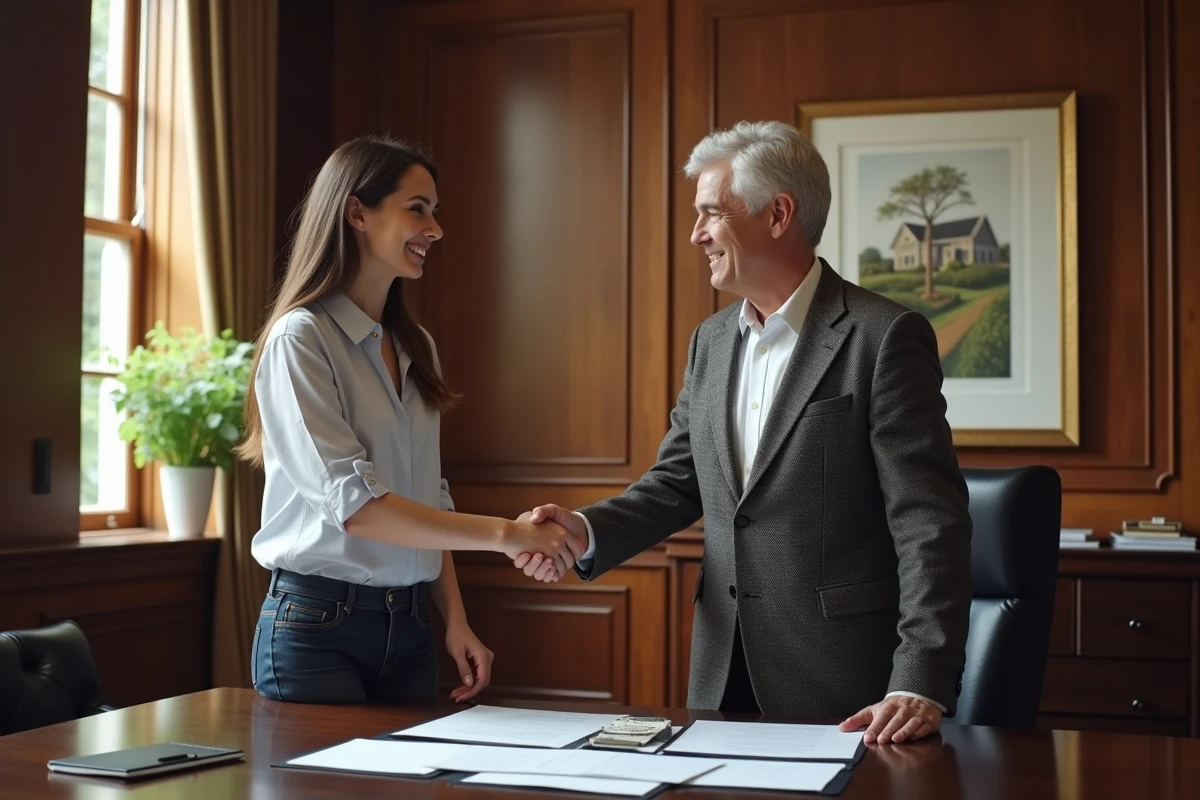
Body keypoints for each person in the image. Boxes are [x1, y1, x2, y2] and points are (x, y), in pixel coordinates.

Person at [516, 121, 972, 745]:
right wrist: (587, 528)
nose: (697, 233)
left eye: (711, 213)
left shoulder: (884, 337)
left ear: (778, 213)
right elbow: (679, 481)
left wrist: (919, 678)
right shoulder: (710, 341)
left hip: (850, 690)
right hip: (720, 670)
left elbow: (928, 520)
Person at [238, 136, 585, 705]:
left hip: (411, 629)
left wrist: (455, 619)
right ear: (357, 213)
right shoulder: (300, 340)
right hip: (315, 630)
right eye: (417, 209)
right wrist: (509, 535)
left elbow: (429, 500)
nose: (436, 229)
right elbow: (360, 511)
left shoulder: (414, 345)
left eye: (435, 212)